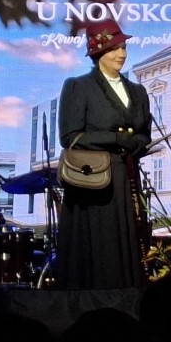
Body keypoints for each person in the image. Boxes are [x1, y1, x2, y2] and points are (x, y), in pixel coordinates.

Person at [55, 19, 152, 290]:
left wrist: (138, 143)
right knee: (99, 247)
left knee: (129, 243)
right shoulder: (79, 86)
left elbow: (145, 133)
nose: (121, 54)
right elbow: (70, 137)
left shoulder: (138, 91)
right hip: (92, 183)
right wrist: (115, 139)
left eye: (123, 47)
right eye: (114, 48)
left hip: (126, 180)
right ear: (98, 52)